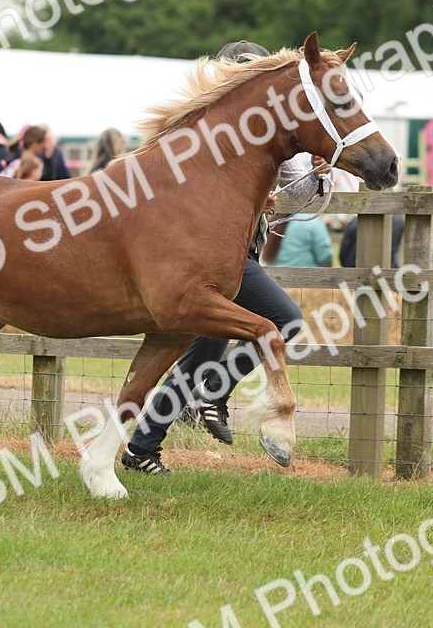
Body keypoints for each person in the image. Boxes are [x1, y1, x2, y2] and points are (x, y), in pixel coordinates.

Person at [121, 41, 328, 475]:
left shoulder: (270, 134)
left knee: (194, 358)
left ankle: (145, 445)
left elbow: (294, 197)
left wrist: (315, 174)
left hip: (236, 256)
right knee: (283, 318)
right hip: (207, 260)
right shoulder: (208, 130)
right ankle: (210, 394)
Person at [338, 214, 405, 268]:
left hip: (353, 268)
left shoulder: (354, 222)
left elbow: (343, 252)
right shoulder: (399, 221)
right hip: (388, 269)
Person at [265, 216, 334, 268]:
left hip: (273, 279)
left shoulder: (274, 221)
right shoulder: (313, 222)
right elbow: (325, 257)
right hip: (306, 279)